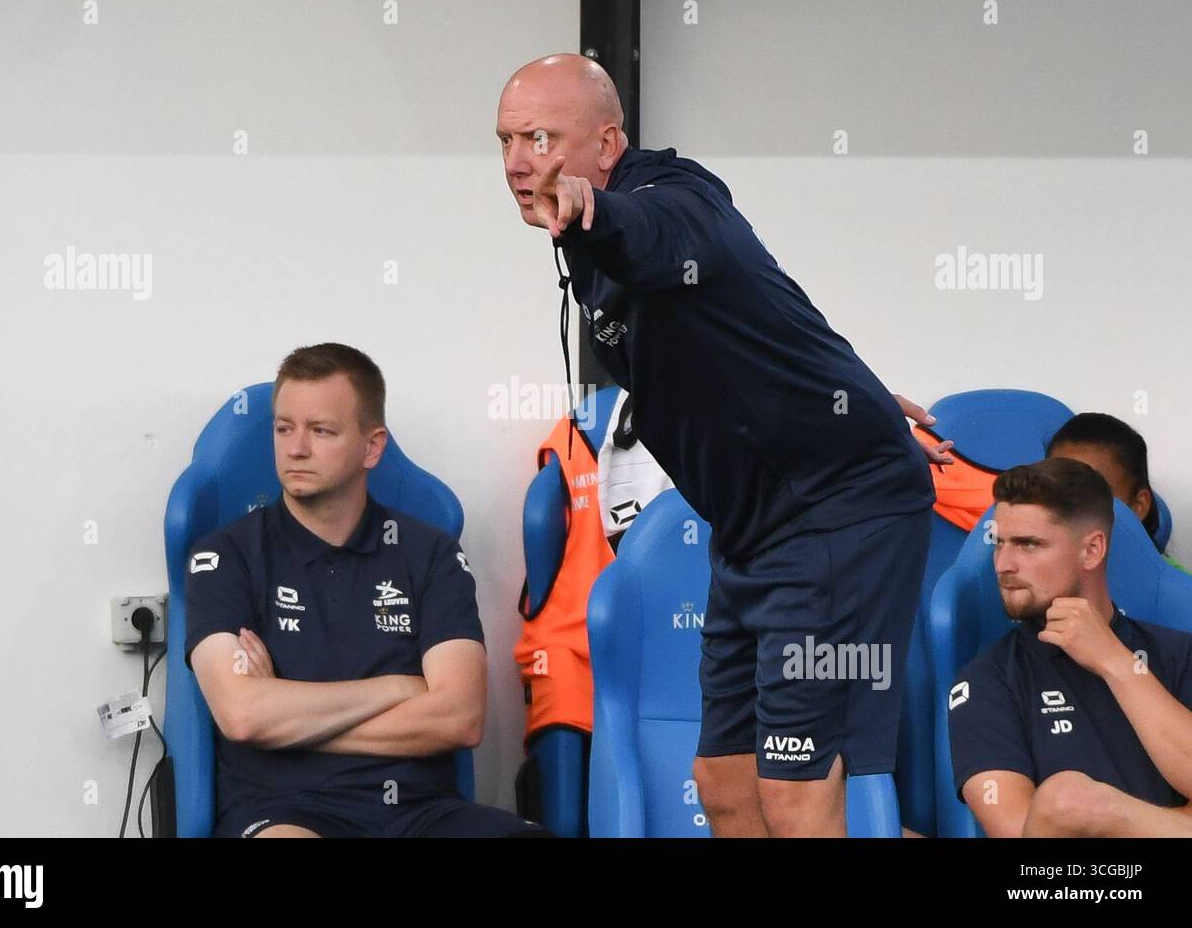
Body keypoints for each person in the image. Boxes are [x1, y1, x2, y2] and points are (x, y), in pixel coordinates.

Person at [498, 53, 953, 836]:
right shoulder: (584, 243)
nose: (516, 162)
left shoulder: (672, 199)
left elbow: (663, 235)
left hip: (839, 515)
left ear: (608, 144)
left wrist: (594, 211)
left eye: (541, 138)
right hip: (752, 531)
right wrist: (864, 393)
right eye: (505, 139)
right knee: (723, 778)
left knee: (795, 781)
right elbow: (768, 305)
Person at [185, 343, 548, 837]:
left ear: (372, 447)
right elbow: (244, 715)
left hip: (421, 813)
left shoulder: (430, 554)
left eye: (321, 431)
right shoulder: (225, 557)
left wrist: (289, 719)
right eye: (284, 428)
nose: (296, 449)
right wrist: (398, 689)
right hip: (284, 811)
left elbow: (460, 718)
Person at [948, 457, 1192, 836]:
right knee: (1067, 799)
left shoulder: (1178, 655)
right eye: (999, 544)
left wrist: (1114, 661)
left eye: (1028, 544)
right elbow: (1024, 836)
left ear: (1092, 550)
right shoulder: (986, 682)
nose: (1003, 564)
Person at [1047, 411, 1188, 573]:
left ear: (1138, 506)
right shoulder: (1023, 570)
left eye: (1092, 490)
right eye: (1056, 487)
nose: (1068, 506)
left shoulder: (1177, 590)